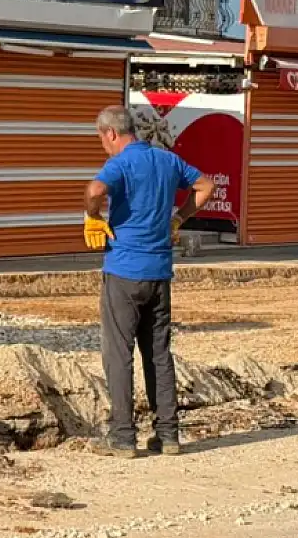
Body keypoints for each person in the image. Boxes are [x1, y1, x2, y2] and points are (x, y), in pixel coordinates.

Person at [83, 105, 215, 459]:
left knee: (118, 355)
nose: (103, 147)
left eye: (102, 140)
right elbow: (205, 186)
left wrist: (93, 215)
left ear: (112, 133)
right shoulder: (166, 160)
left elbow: (95, 189)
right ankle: (168, 436)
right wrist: (178, 219)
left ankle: (123, 438)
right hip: (159, 272)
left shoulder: (121, 164)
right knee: (158, 353)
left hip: (124, 271)